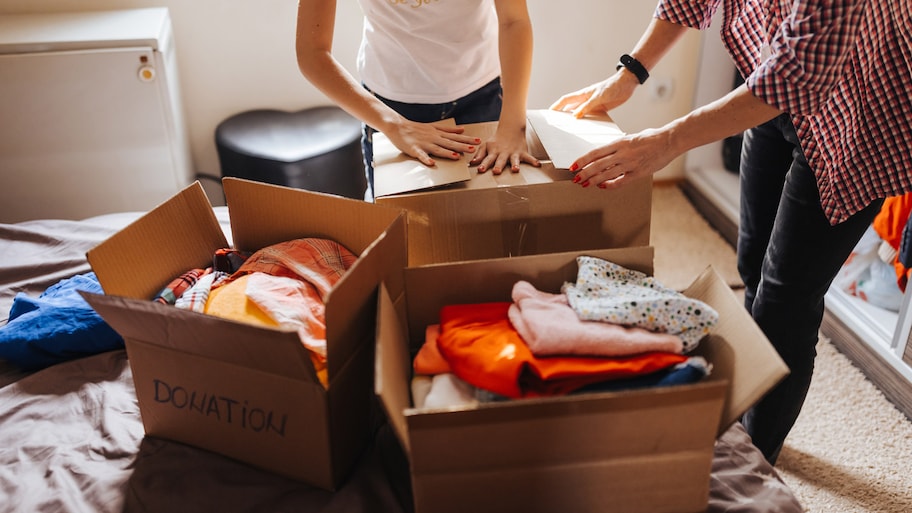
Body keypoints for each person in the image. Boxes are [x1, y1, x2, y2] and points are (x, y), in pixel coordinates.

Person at [551, 1, 911, 465]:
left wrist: (666, 141)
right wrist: (630, 72)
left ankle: (755, 462)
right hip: (767, 77)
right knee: (753, 267)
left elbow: (794, 78)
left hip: (860, 113)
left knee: (787, 301)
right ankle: (748, 413)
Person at [295, 0, 540, 201]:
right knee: (402, 238)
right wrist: (394, 125)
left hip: (481, 98)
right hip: (389, 110)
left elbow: (514, 21)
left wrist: (512, 123)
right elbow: (312, 53)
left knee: (489, 233)